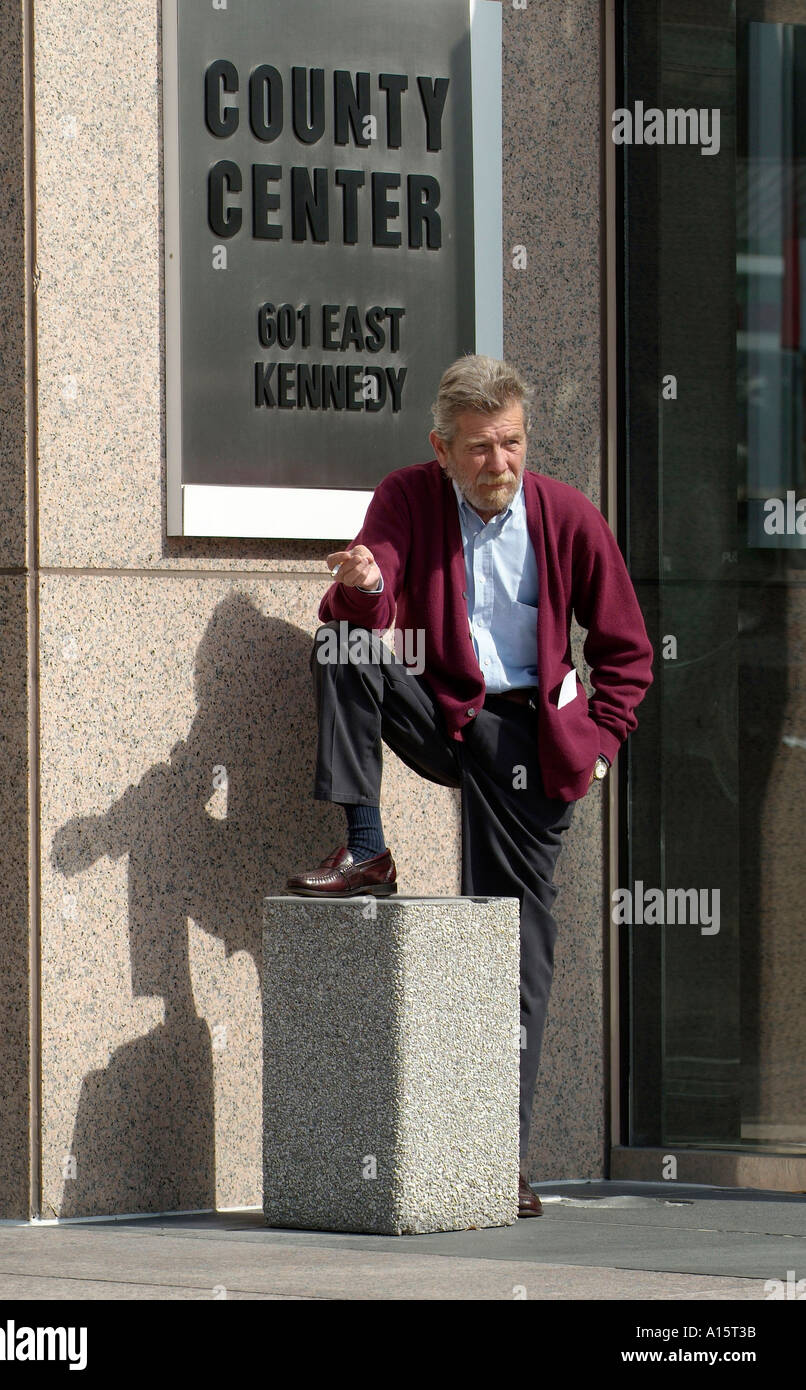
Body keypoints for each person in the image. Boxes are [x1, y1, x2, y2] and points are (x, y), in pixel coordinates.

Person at [285, 355, 653, 1216]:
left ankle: (501, 1159)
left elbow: (627, 652)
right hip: (447, 712)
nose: (499, 464)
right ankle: (367, 848)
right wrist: (368, 585)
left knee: (515, 958)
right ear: (441, 448)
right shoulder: (410, 495)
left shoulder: (566, 517)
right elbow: (365, 585)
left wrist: (597, 748)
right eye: (480, 448)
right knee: (340, 650)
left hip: (533, 741)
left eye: (512, 443)